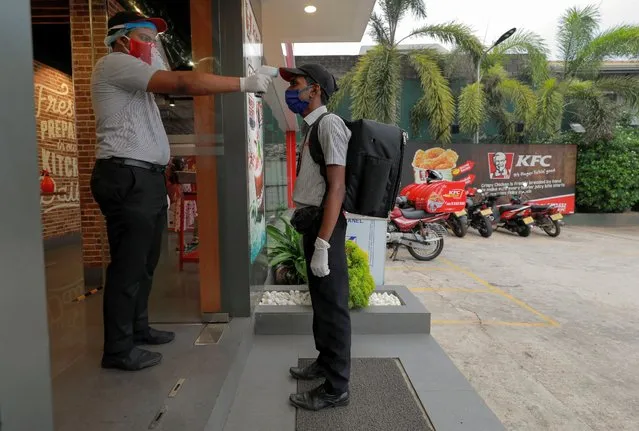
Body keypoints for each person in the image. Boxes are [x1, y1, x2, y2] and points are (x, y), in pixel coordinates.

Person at [91, 11, 272, 372]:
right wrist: (243, 83)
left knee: (145, 263)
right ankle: (118, 349)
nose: (152, 44)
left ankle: (138, 329)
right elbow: (186, 84)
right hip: (127, 176)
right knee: (129, 266)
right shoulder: (114, 64)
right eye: (146, 36)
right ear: (121, 38)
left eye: (155, 39)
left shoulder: (137, 79)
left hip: (144, 178)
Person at [279, 64, 352, 411]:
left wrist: (324, 243)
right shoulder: (311, 129)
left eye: (296, 83)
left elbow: (336, 186)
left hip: (327, 226)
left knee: (334, 306)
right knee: (321, 303)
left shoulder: (330, 124)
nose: (291, 89)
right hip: (313, 224)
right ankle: (324, 363)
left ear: (315, 90)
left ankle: (336, 388)